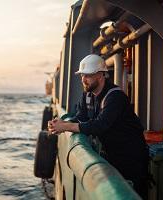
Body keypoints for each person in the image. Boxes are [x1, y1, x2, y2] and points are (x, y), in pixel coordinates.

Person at [48, 54, 149, 199]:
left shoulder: (115, 97)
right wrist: (60, 124)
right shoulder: (88, 94)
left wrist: (66, 127)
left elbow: (100, 126)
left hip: (131, 158)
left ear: (101, 75)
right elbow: (80, 117)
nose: (83, 80)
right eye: (82, 75)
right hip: (111, 155)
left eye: (88, 75)